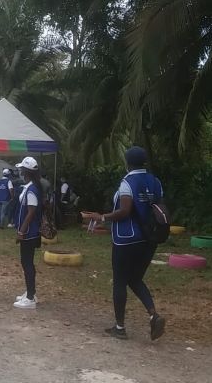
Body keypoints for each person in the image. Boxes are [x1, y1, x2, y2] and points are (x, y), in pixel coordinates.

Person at [83, 146, 165, 341]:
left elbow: (125, 210)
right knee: (134, 278)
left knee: (120, 280)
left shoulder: (127, 182)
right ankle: (154, 314)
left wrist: (101, 217)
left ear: (127, 163)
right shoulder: (155, 182)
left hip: (126, 239)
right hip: (149, 238)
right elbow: (159, 207)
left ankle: (119, 327)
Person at [13, 157, 43, 309]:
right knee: (27, 262)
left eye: (21, 170)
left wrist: (21, 231)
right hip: (29, 233)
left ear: (26, 172)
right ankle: (30, 292)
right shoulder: (30, 187)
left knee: (27, 263)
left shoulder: (32, 190)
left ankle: (30, 297)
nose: (20, 172)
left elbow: (30, 213)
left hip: (29, 233)